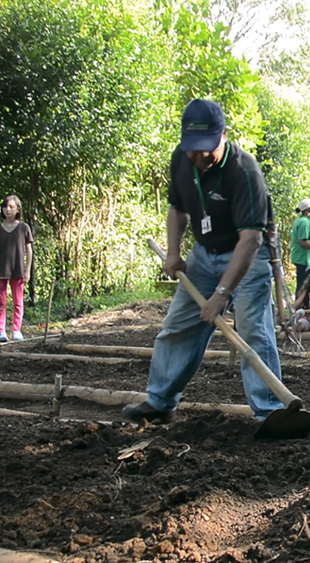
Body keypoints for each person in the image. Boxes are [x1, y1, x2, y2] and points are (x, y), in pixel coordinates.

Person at [122, 99, 284, 424]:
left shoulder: (244, 171)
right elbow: (177, 209)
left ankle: (270, 412)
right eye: (192, 149)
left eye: (206, 148)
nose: (199, 157)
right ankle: (160, 401)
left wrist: (222, 295)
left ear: (223, 134)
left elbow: (250, 239)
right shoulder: (182, 160)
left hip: (246, 256)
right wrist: (172, 252)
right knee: (178, 326)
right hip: (202, 254)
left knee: (253, 330)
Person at [0, 194, 34, 342]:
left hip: (18, 270)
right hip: (1, 270)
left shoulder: (23, 227)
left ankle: (16, 330)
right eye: (5, 207)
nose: (8, 210)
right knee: (1, 302)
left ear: (17, 209)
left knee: (18, 302)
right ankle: (1, 331)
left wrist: (27, 270)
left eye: (11, 207)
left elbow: (29, 250)